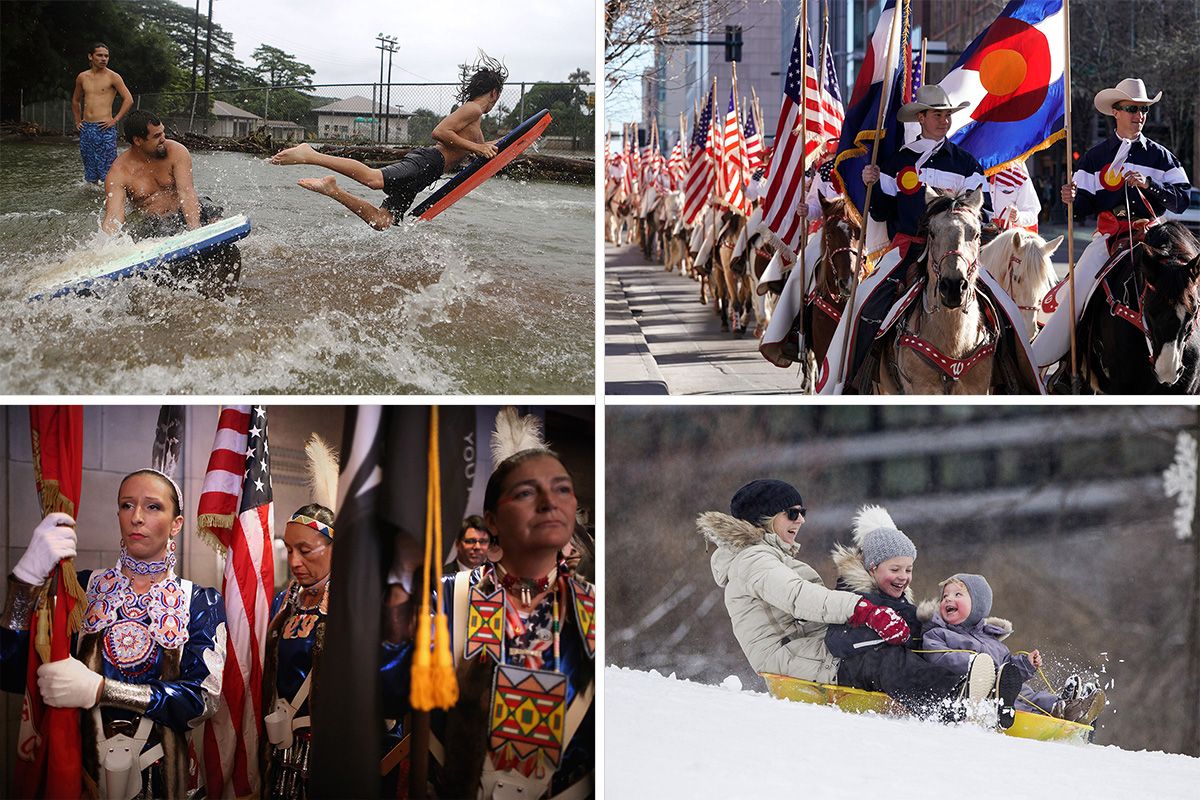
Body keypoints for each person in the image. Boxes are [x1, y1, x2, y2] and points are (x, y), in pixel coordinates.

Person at [382, 408, 594, 800]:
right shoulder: (449, 596)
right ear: (492, 521)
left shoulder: (593, 610)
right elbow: (390, 691)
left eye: (559, 492)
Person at [0, 469, 227, 797]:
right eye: (126, 505)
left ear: (176, 523)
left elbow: (201, 700)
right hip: (82, 779)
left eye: (152, 507)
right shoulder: (80, 588)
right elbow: (10, 669)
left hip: (166, 780)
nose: (136, 517)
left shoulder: (201, 601)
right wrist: (25, 581)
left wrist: (101, 690)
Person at [1033, 77, 1191, 370]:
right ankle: (1049, 362)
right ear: (1115, 112)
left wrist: (1150, 185)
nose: (1139, 115)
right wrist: (1071, 197)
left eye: (1143, 109)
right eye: (1131, 108)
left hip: (1153, 238)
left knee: (1187, 289)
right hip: (1109, 239)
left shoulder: (1162, 157)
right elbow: (1082, 208)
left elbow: (1181, 201)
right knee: (1077, 293)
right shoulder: (1095, 157)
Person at [695, 480, 910, 685]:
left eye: (802, 513)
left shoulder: (771, 557)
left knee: (902, 638)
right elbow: (798, 596)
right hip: (791, 657)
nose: (801, 520)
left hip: (806, 649)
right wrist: (863, 611)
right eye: (792, 513)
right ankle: (940, 706)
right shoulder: (754, 560)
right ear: (764, 518)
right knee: (889, 663)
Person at [269, 54, 508, 229]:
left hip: (426, 175)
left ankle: (332, 189)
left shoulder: (474, 118)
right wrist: (478, 147)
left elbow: (479, 148)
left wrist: (509, 144)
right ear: (495, 93)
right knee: (373, 179)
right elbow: (440, 131)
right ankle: (310, 154)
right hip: (427, 162)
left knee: (382, 222)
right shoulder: (473, 109)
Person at [823, 506, 997, 722]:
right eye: (895, 570)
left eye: (908, 570)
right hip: (847, 670)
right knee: (889, 658)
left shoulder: (899, 601)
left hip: (882, 675)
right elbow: (837, 641)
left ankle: (989, 689)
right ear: (872, 569)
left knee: (934, 642)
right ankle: (951, 698)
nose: (903, 577)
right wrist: (888, 631)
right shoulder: (851, 598)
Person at [919, 573, 1106, 726]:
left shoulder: (992, 640)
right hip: (977, 694)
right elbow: (936, 657)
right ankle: (1065, 711)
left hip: (1005, 689)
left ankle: (1066, 705)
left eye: (957, 595)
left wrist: (1025, 664)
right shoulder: (938, 633)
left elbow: (1009, 669)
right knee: (1019, 701)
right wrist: (975, 665)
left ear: (977, 605)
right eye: (945, 596)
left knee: (1029, 694)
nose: (948, 599)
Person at [72, 42, 134, 184]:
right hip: (87, 128)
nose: (103, 59)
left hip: (104, 127)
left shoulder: (113, 77)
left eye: (106, 56)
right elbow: (75, 101)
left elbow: (128, 99)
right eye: (99, 55)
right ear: (90, 56)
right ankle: (90, 200)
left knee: (108, 168)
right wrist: (77, 120)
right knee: (89, 168)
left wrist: (115, 120)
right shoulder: (82, 77)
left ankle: (111, 197)